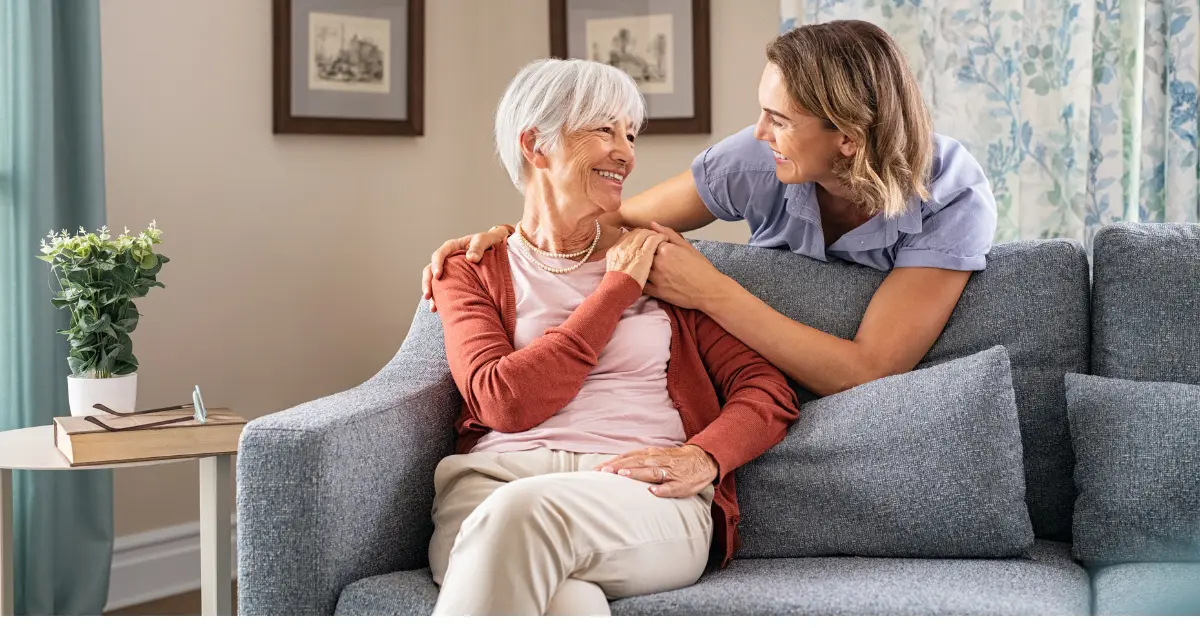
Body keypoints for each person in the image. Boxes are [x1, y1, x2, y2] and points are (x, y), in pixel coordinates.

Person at [423, 20, 998, 398]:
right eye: (761, 110)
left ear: (847, 137)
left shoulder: (951, 194)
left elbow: (870, 371)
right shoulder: (755, 159)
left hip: (855, 400)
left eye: (780, 119)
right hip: (753, 381)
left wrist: (709, 290)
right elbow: (610, 223)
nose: (758, 131)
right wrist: (513, 237)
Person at [428, 58, 799, 616]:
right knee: (568, 604)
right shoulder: (473, 267)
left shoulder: (662, 260)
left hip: (637, 492)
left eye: (630, 134)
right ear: (536, 144)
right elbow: (504, 402)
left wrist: (705, 456)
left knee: (522, 516)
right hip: (493, 485)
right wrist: (614, 292)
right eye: (604, 129)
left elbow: (765, 389)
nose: (626, 151)